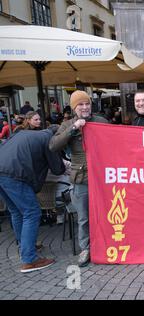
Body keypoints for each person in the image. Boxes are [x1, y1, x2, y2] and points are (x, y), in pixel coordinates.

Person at [49, 90, 109, 267]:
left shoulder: (101, 121)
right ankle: (86, 249)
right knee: (84, 217)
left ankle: (106, 245)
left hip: (103, 178)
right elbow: (53, 145)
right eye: (80, 105)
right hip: (81, 179)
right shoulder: (67, 124)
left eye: (87, 104)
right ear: (74, 108)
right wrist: (74, 128)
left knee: (105, 214)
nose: (84, 107)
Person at [0, 126, 65, 273]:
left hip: (2, 170)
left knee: (16, 212)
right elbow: (57, 169)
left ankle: (24, 246)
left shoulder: (27, 134)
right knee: (32, 212)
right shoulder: (50, 140)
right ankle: (29, 259)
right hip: (13, 174)